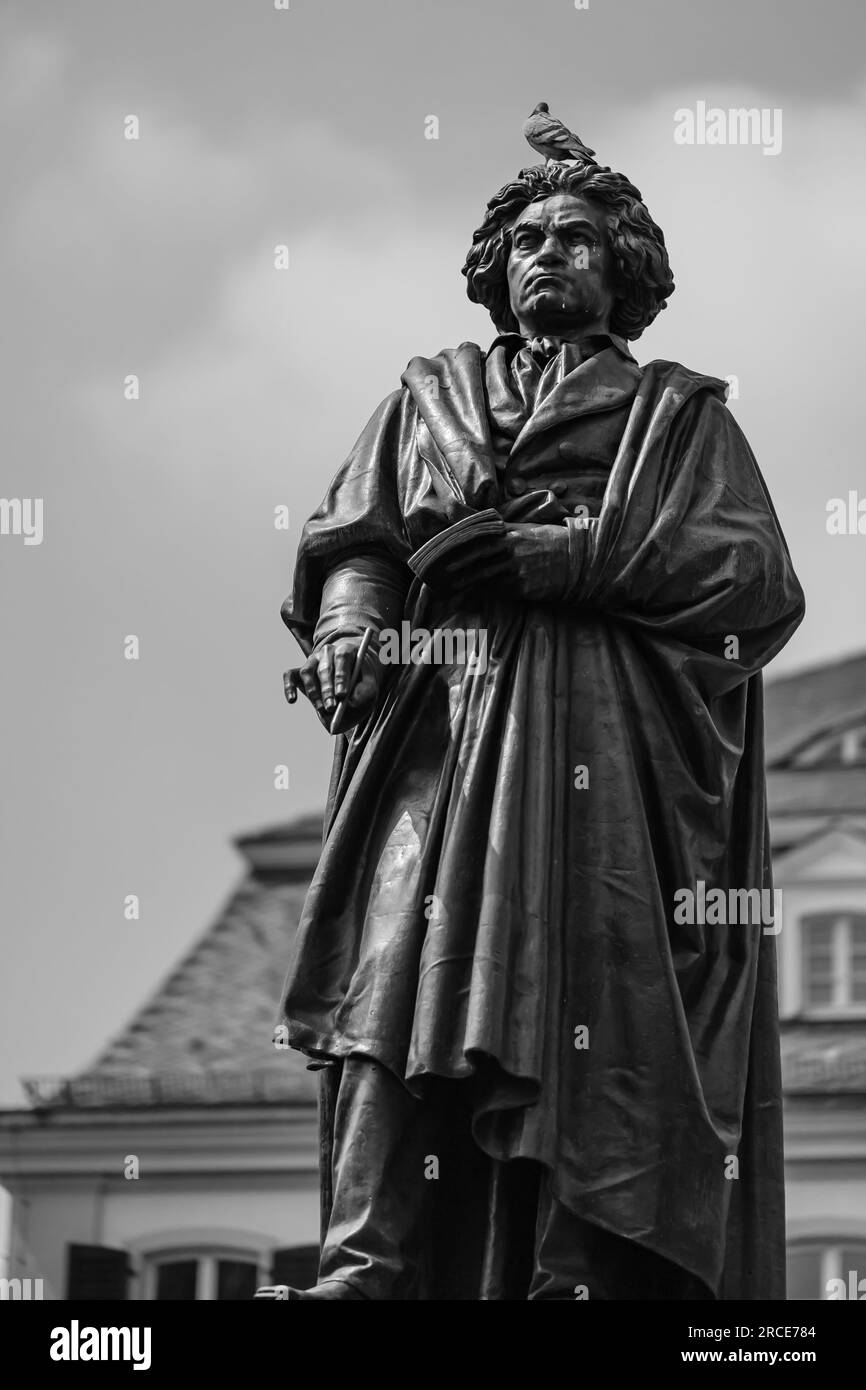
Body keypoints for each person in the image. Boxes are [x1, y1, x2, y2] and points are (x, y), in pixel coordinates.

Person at [269, 128, 805, 1300]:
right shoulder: (427, 398)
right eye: (523, 240)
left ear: (622, 270)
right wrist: (351, 628)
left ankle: (577, 1272)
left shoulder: (678, 418)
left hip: (610, 755)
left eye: (572, 238)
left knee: (589, 998)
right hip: (437, 733)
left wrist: (565, 558)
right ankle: (367, 1263)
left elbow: (755, 580)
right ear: (492, 266)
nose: (543, 256)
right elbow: (357, 541)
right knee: (393, 982)